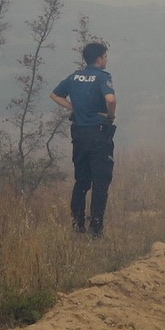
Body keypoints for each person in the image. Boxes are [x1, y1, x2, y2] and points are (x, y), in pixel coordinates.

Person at [50, 42, 117, 237]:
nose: (106, 59)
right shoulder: (103, 77)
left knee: (81, 181)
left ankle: (77, 225)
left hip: (79, 134)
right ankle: (96, 228)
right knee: (101, 181)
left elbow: (54, 95)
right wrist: (110, 117)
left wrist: (73, 107)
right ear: (99, 58)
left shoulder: (74, 77)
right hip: (99, 133)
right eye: (105, 56)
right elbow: (111, 100)